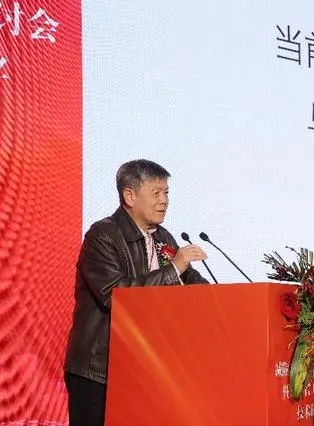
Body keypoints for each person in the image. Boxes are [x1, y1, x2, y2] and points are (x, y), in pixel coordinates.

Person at [63, 159, 209, 426]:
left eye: (166, 192)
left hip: (144, 367)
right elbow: (115, 295)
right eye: (156, 193)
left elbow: (192, 283)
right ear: (129, 196)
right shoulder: (102, 236)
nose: (164, 201)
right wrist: (173, 269)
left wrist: (218, 299)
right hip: (99, 371)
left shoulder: (163, 237)